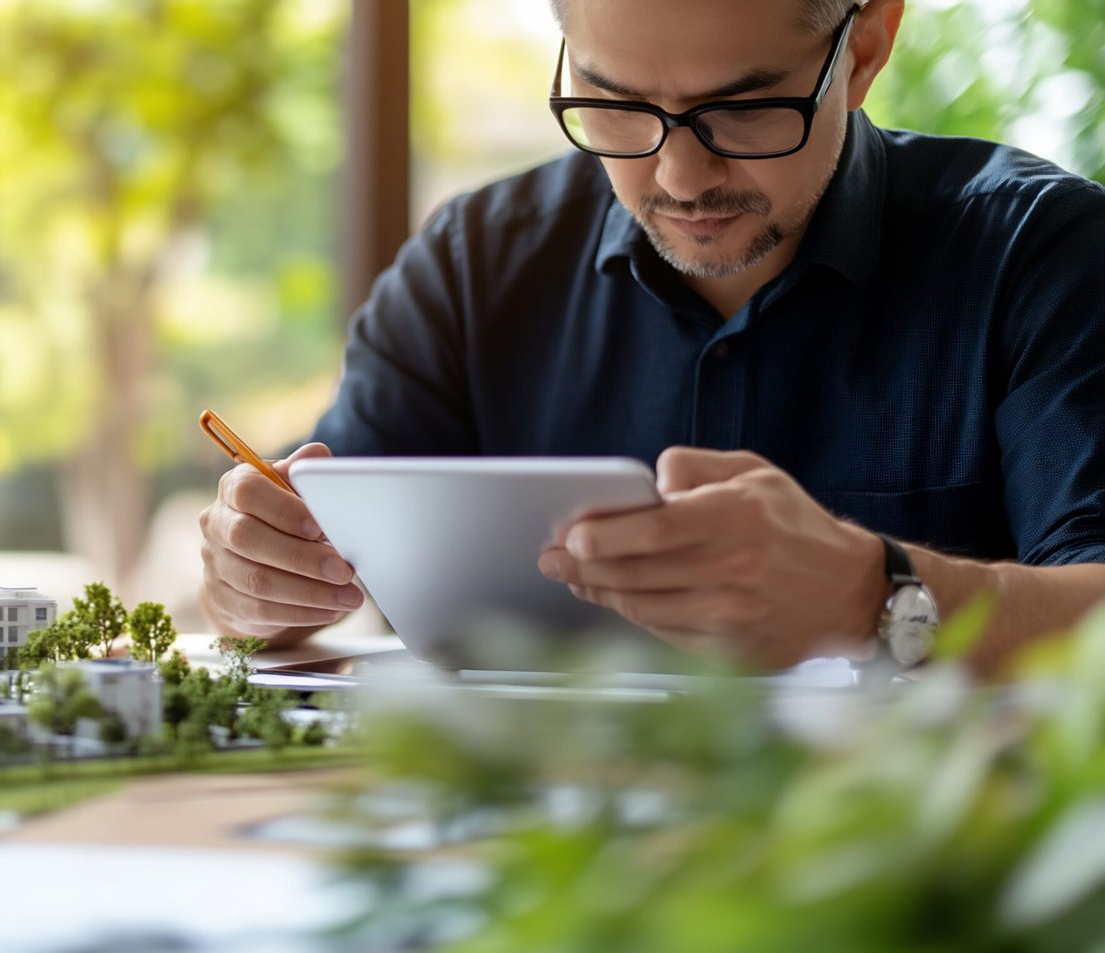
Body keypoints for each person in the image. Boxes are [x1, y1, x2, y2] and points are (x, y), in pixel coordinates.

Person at [198, 0, 1105, 676]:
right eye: (615, 102)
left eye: (742, 111)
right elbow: (310, 546)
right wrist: (257, 580)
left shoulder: (1037, 256)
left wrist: (885, 595)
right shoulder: (471, 268)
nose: (678, 175)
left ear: (864, 48)